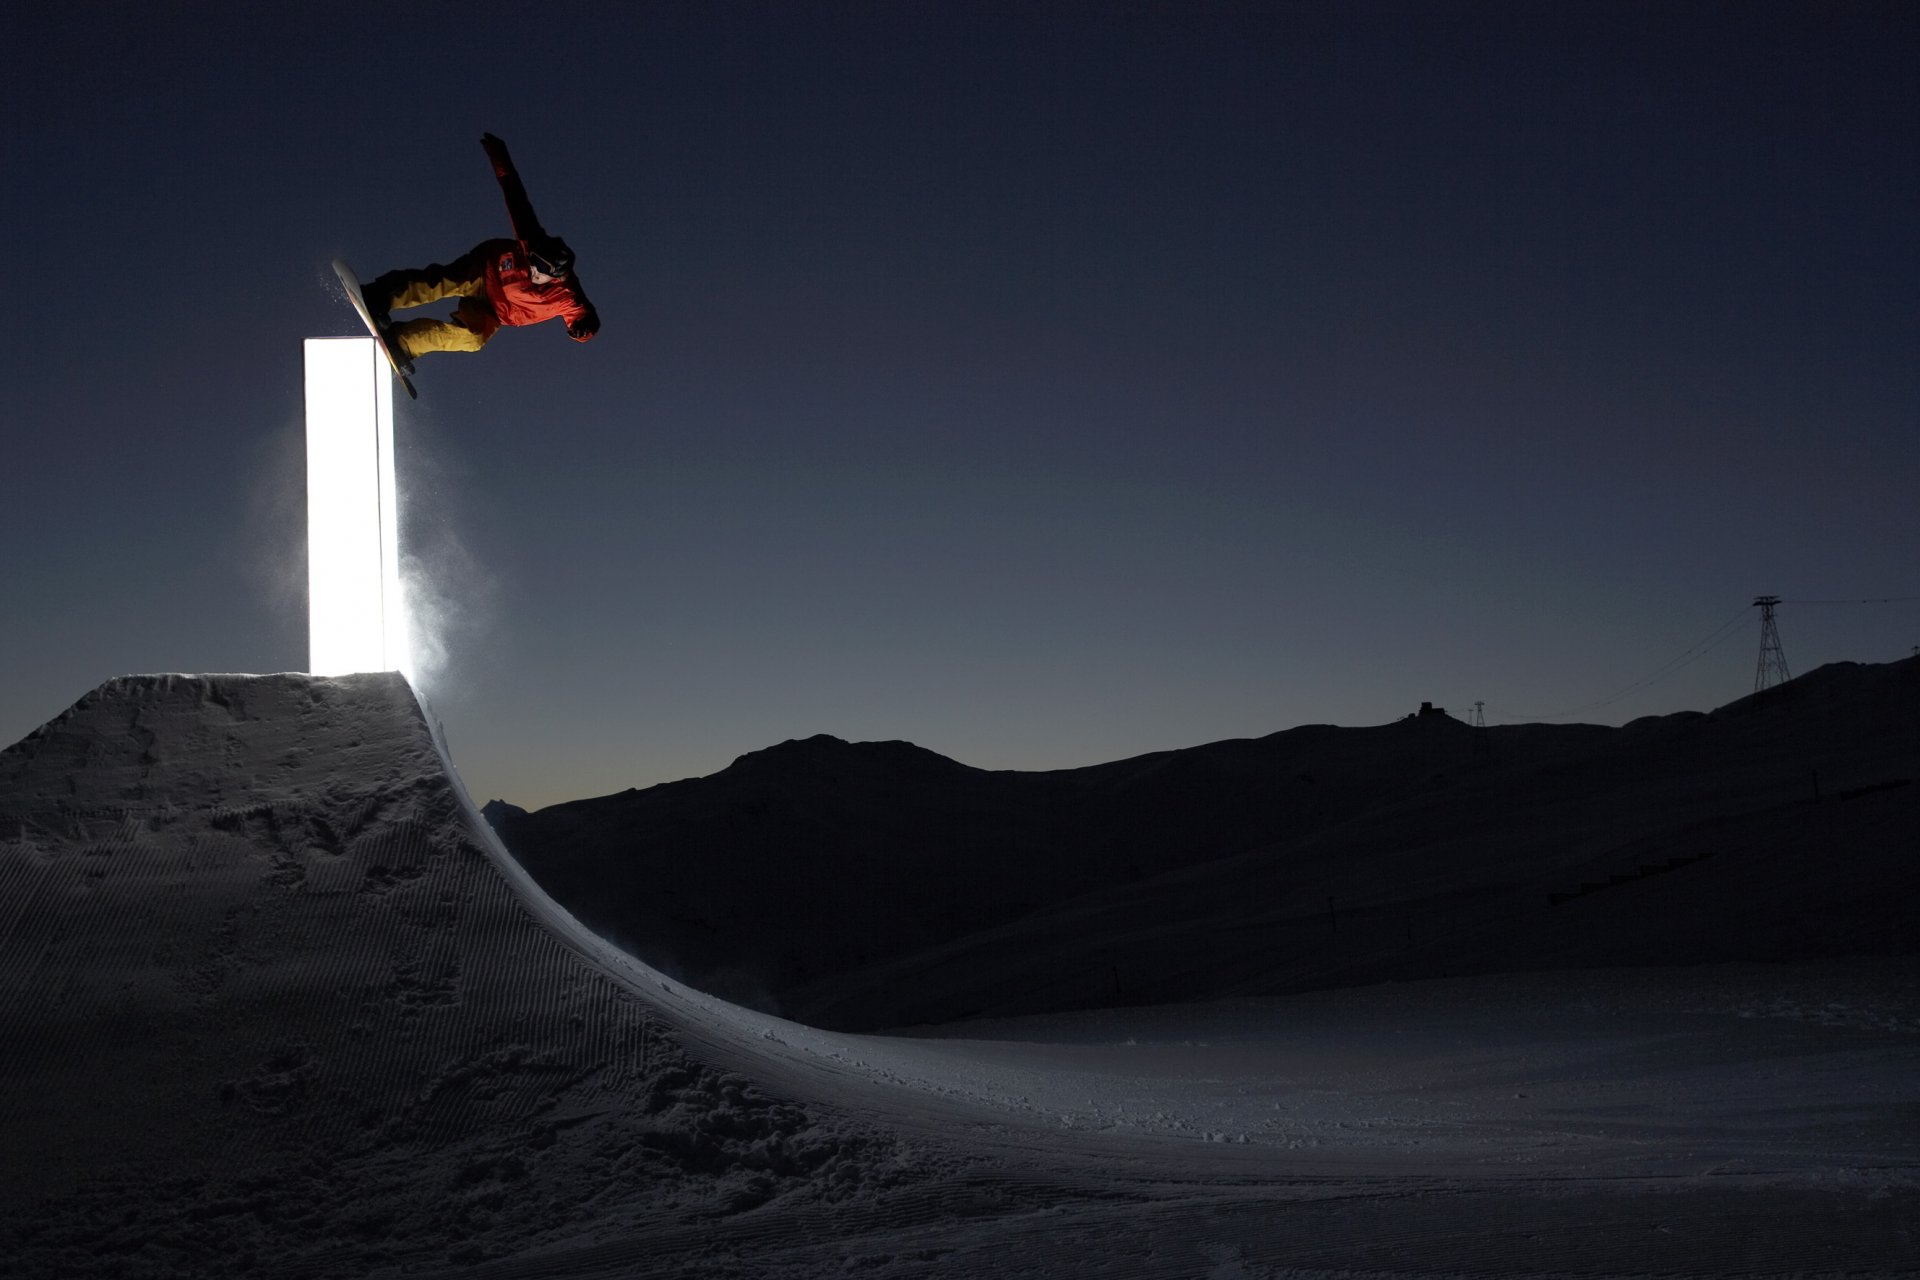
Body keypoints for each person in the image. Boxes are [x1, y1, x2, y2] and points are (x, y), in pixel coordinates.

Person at [362, 134, 600, 370]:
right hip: (485, 270)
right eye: (533, 262)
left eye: (542, 271)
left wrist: (582, 331)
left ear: (557, 276)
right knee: (443, 282)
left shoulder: (567, 297)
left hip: (495, 311)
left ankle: (403, 342)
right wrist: (499, 156)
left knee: (473, 339)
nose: (534, 271)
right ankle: (381, 294)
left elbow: (586, 319)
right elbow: (515, 196)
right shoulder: (532, 238)